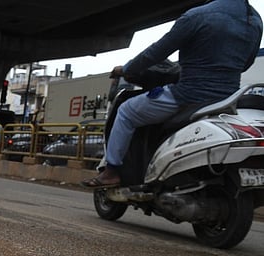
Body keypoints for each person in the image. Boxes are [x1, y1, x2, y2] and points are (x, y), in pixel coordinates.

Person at [82, 0, 263, 188]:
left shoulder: (197, 16)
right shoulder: (255, 21)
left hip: (188, 95)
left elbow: (156, 52)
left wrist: (126, 69)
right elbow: (246, 63)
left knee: (126, 112)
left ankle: (111, 172)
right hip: (227, 98)